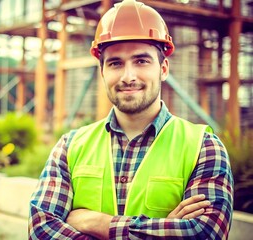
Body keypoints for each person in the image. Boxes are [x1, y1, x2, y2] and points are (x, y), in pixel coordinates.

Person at [28, 0, 234, 239]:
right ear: (103, 71)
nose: (128, 76)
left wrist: (96, 222)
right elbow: (40, 230)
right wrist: (161, 229)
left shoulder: (203, 147)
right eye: (115, 63)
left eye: (141, 61)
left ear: (163, 68)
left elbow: (204, 233)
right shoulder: (70, 146)